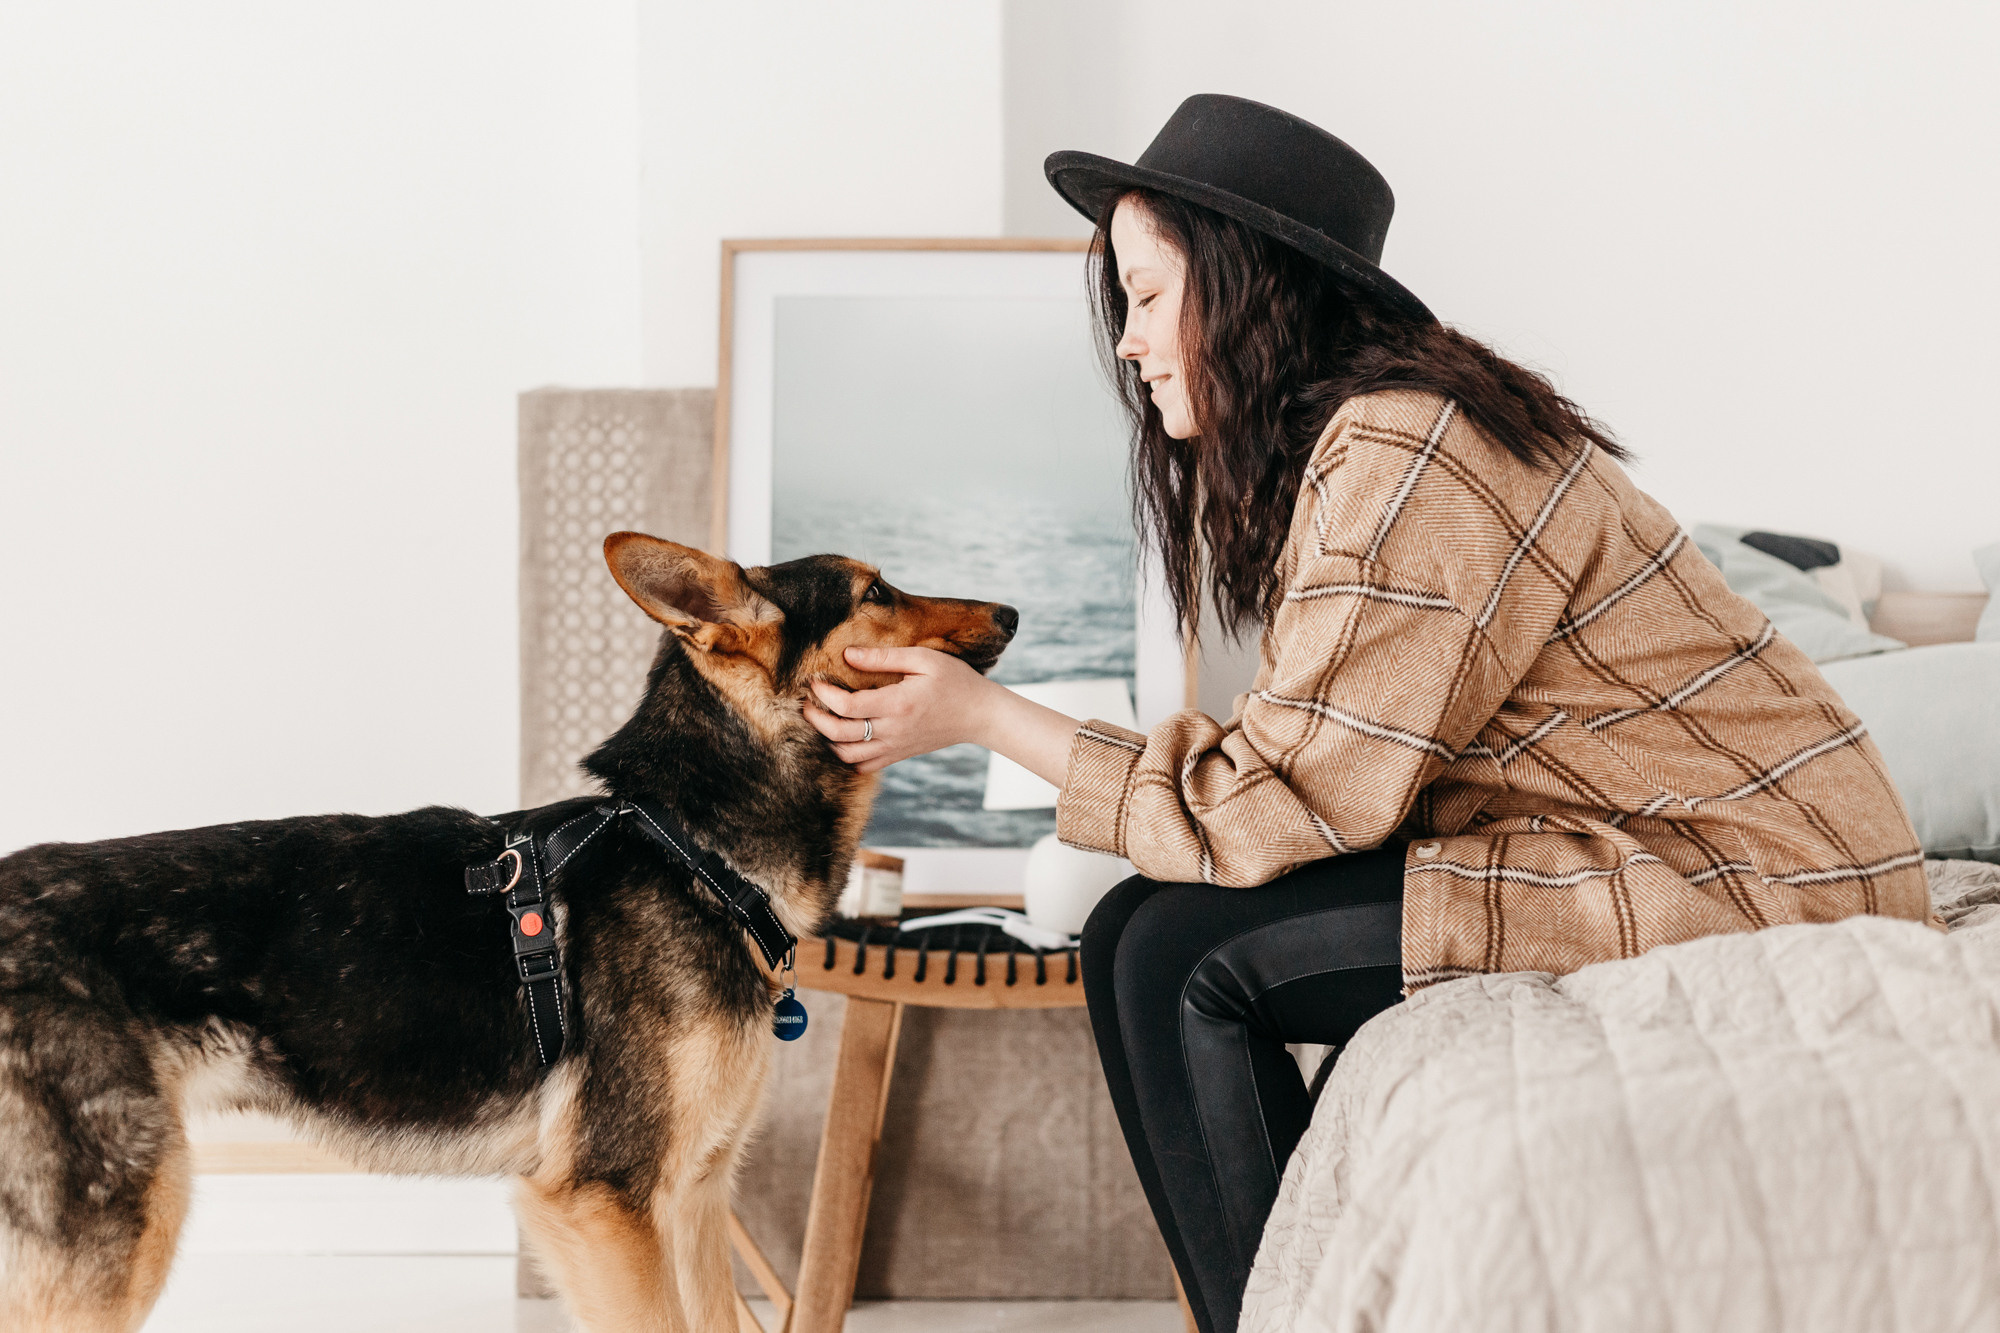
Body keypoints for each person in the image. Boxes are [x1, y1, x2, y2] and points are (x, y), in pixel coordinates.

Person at [804, 94, 1928, 1333]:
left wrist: (980, 716)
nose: (1126, 341)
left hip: (1754, 877)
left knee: (1171, 957)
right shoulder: (1373, 443)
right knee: (1137, 929)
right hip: (1670, 844)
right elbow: (1304, 772)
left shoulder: (1412, 455)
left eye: (1147, 294)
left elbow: (1271, 806)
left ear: (1244, 287)